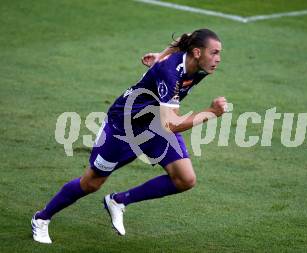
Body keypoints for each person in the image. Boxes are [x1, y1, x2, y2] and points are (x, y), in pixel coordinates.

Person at [31, 28, 226, 244]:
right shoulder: (171, 72)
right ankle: (41, 218)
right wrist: (211, 113)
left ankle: (118, 201)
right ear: (197, 52)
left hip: (154, 125)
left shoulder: (197, 63)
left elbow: (185, 37)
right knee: (91, 183)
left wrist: (159, 56)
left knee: (185, 179)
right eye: (214, 53)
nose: (218, 59)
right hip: (123, 127)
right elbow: (171, 124)